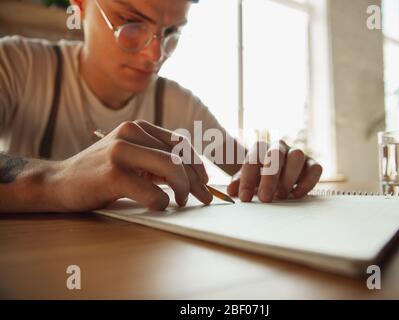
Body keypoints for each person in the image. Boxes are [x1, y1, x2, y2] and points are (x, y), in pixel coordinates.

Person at [0, 0, 322, 213]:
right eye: (131, 23)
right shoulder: (17, 66)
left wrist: (274, 170)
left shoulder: (180, 106)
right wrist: (58, 179)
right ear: (80, 5)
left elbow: (243, 169)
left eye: (170, 33)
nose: (155, 56)